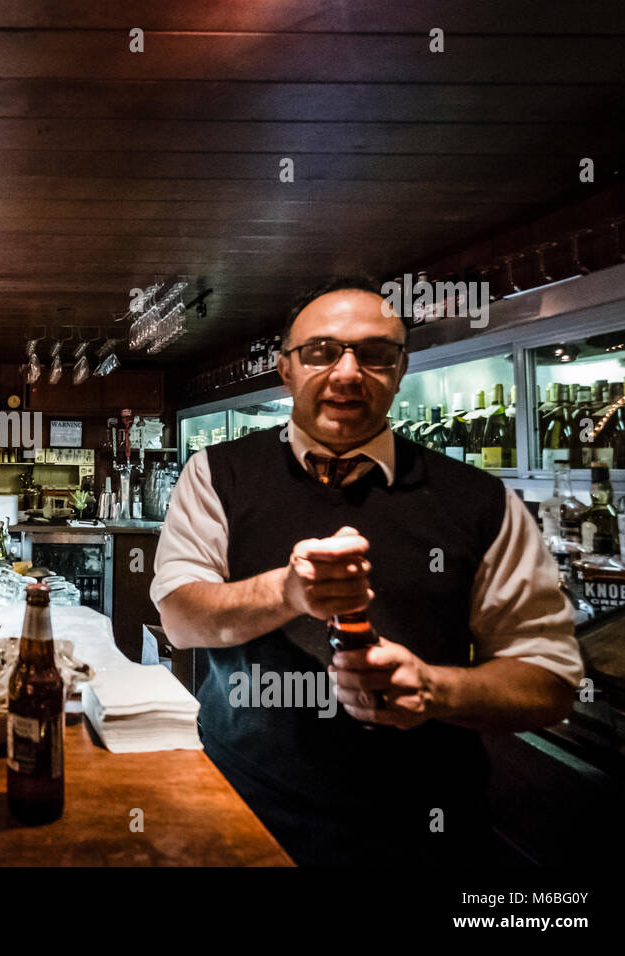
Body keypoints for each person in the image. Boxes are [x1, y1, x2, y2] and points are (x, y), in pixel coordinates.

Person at [151, 276, 583, 866]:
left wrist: (434, 689)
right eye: (322, 352)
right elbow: (180, 617)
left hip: (426, 832)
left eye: (375, 354)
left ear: (401, 370)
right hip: (244, 810)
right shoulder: (219, 474)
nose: (348, 373)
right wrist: (286, 590)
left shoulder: (478, 500)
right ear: (286, 369)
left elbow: (549, 682)